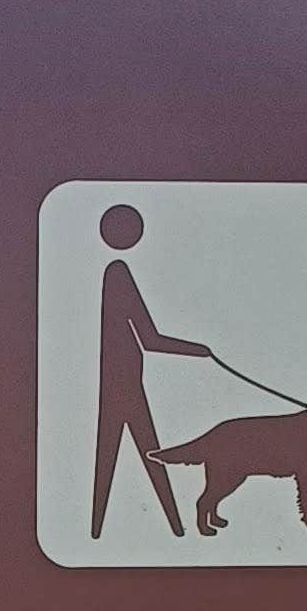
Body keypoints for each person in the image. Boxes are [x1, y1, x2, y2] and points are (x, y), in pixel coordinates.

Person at [91, 202, 211, 537]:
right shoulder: (118, 276)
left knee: (144, 457)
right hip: (121, 387)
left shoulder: (115, 274)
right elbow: (149, 339)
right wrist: (199, 351)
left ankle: (167, 529)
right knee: (149, 456)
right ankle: (171, 529)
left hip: (125, 385)